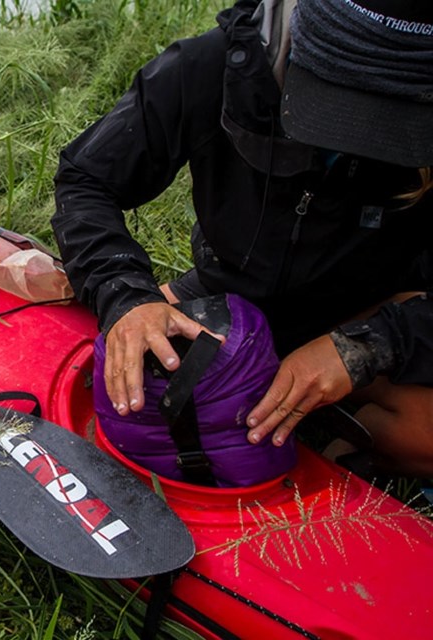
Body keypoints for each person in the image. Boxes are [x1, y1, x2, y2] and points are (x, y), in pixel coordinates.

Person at [51, 0, 433, 476]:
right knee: (94, 369)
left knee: (426, 435)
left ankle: (333, 447)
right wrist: (126, 298)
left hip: (361, 307)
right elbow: (86, 179)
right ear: (296, 44)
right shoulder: (210, 68)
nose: (356, 136)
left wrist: (364, 347)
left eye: (389, 122)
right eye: (341, 110)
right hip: (226, 298)